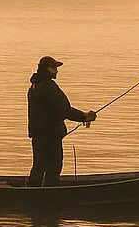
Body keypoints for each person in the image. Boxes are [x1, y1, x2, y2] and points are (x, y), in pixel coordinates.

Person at [27, 56, 95, 186]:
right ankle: (50, 192)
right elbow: (64, 110)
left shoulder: (34, 87)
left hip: (38, 135)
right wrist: (84, 116)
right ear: (47, 69)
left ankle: (33, 190)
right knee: (54, 165)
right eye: (54, 68)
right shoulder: (49, 87)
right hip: (50, 135)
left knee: (39, 165)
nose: (57, 71)